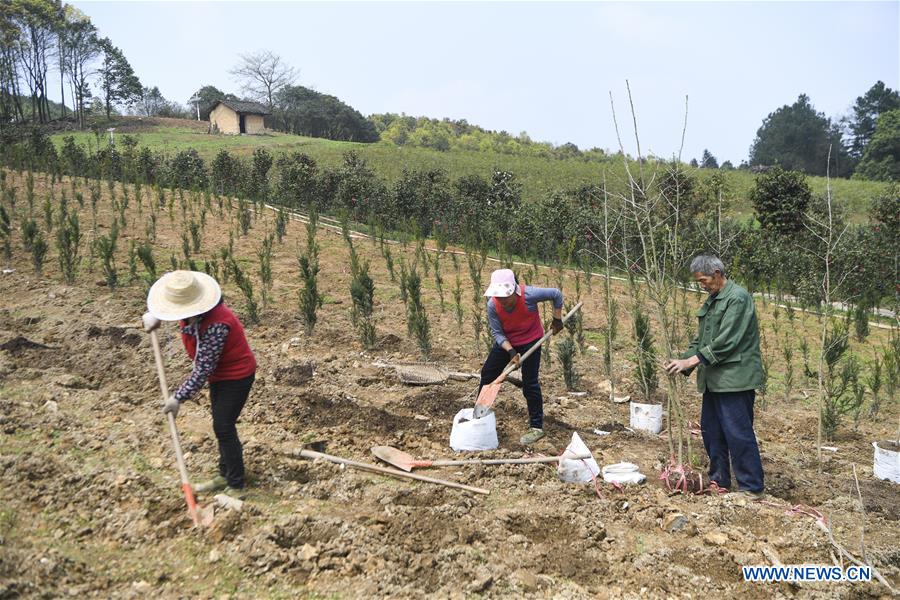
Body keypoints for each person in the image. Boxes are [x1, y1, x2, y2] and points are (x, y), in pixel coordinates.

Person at [147, 270, 257, 499]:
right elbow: (180, 316)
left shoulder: (217, 325)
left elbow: (202, 370)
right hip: (220, 376)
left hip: (237, 376)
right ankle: (225, 474)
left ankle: (236, 485)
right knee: (220, 424)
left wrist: (178, 398)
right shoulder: (192, 314)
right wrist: (157, 317)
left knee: (224, 427)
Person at [664, 255, 765, 498]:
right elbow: (702, 340)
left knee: (738, 433)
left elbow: (727, 341)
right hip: (714, 380)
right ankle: (719, 480)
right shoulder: (713, 300)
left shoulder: (737, 298)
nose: (702, 285)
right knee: (711, 432)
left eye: (705, 280)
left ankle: (751, 487)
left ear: (718, 273)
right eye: (699, 282)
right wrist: (682, 362)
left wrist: (692, 361)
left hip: (734, 380)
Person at [479, 268, 563, 445]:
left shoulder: (529, 295)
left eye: (505, 296)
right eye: (498, 296)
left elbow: (556, 294)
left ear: (514, 290)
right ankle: (479, 415)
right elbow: (497, 333)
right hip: (508, 342)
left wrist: (557, 319)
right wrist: (511, 352)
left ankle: (536, 427)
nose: (502, 300)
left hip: (531, 340)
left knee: (530, 382)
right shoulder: (493, 305)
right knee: (487, 374)